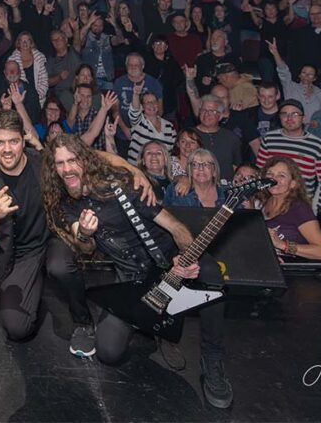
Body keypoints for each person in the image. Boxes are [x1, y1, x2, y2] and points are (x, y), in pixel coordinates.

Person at [41, 133, 232, 407]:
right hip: (131, 277)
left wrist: (187, 258)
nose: (67, 168)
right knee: (108, 352)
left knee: (211, 273)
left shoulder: (123, 186)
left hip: (167, 260)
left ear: (84, 160)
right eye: (59, 164)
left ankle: (212, 360)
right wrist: (84, 233)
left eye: (72, 160)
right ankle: (145, 321)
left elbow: (176, 227)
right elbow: (83, 248)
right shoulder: (65, 203)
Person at [0, 110, 152, 357]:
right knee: (17, 329)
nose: (7, 149)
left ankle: (83, 321)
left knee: (59, 265)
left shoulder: (42, 162)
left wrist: (134, 170)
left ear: (23, 140)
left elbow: (88, 156)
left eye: (13, 141)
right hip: (22, 253)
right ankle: (34, 292)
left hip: (54, 238)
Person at [255, 100, 321, 214]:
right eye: (284, 114)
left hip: (301, 206)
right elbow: (259, 172)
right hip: (271, 204)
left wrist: (314, 208)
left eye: (295, 114)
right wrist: (261, 202)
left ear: (304, 118)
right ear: (279, 117)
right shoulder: (269, 139)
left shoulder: (316, 144)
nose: (289, 118)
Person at [259, 156, 321, 261]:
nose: (274, 179)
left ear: (293, 184)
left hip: (293, 272)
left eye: (281, 176)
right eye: (270, 174)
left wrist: (283, 245)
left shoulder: (299, 208)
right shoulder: (264, 203)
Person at [266, 39, 321, 124]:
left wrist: (319, 121)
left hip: (313, 130)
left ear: (315, 78)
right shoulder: (290, 86)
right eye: (304, 73)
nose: (306, 76)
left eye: (310, 74)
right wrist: (275, 53)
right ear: (299, 75)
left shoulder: (319, 92)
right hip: (292, 125)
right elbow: (283, 71)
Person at [127, 88, 176, 165]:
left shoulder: (169, 126)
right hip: (137, 170)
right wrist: (136, 95)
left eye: (154, 101)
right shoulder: (139, 121)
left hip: (160, 171)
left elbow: (172, 153)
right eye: (147, 102)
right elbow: (134, 111)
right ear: (142, 106)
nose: (151, 104)